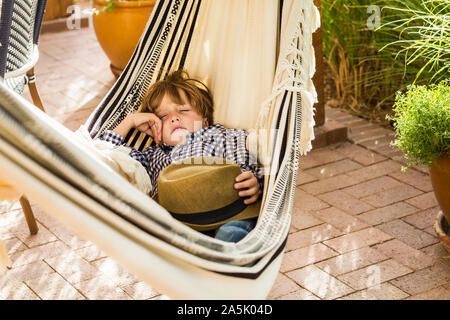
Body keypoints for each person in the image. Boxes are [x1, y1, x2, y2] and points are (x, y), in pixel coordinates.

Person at [98, 70, 264, 242]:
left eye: (184, 110)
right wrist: (131, 121)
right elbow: (104, 153)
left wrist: (255, 182)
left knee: (230, 234)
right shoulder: (152, 156)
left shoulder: (219, 135)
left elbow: (248, 165)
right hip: (178, 228)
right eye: (163, 116)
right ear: (154, 128)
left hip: (228, 214)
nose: (175, 118)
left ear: (205, 121)